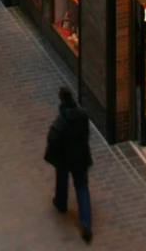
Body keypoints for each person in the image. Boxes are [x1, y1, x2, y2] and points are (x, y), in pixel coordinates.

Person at [45, 87, 93, 241]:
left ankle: (61, 203)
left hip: (65, 158)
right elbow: (86, 135)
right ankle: (86, 224)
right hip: (80, 157)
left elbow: (52, 138)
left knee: (62, 180)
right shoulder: (83, 116)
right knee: (82, 187)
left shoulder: (61, 121)